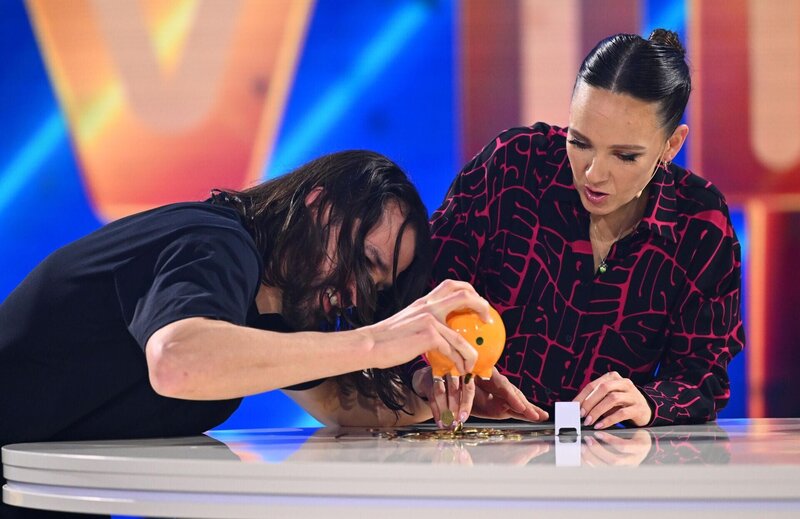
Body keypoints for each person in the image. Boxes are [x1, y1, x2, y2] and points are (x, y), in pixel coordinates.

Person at [1, 150, 540, 518]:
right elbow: (178, 362)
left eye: (375, 286)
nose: (356, 293)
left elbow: (337, 403)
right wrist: (379, 339)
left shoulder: (272, 304)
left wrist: (434, 398)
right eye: (363, 259)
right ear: (318, 204)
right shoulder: (214, 244)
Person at [411, 29, 745, 430]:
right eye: (580, 142)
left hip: (610, 463)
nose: (593, 174)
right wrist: (423, 375)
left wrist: (649, 402)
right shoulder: (513, 167)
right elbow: (416, 296)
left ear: (671, 146)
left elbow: (704, 375)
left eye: (625, 155)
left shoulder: (700, 222)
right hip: (471, 441)